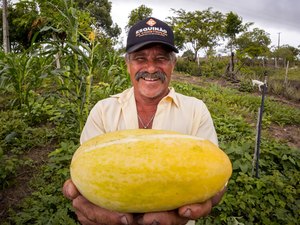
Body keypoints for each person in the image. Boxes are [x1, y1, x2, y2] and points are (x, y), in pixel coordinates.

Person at [63, 17, 226, 225]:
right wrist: (87, 210)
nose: (150, 68)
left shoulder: (196, 110)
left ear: (173, 64)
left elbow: (217, 177)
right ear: (127, 64)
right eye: (140, 58)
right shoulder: (103, 111)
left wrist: (212, 198)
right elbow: (84, 179)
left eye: (160, 59)